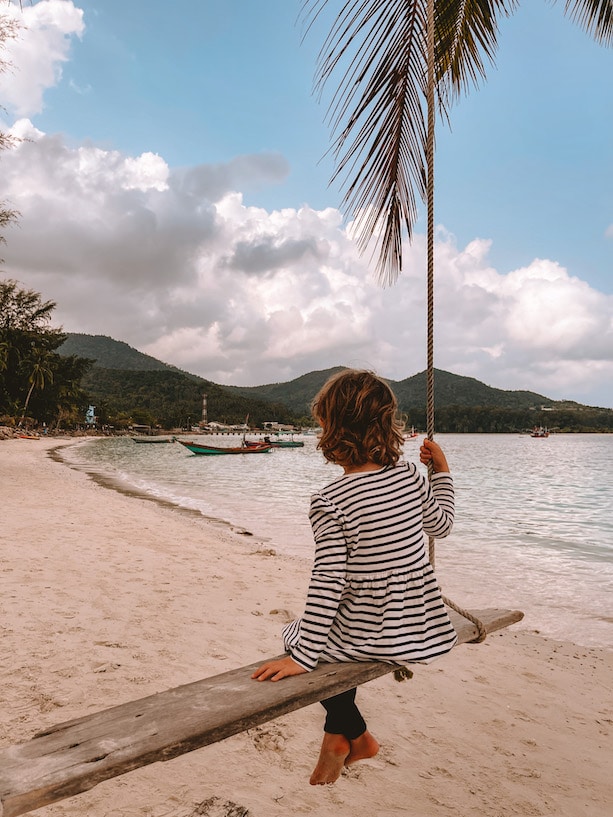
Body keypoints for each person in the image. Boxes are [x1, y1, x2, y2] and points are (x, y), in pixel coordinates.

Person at [251, 369, 456, 785]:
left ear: (329, 427)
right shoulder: (408, 477)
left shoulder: (330, 500)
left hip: (372, 630)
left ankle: (355, 736)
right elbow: (442, 525)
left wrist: (301, 656)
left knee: (298, 636)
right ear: (386, 424)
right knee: (326, 634)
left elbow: (328, 584)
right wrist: (442, 472)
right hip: (416, 623)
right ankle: (337, 739)